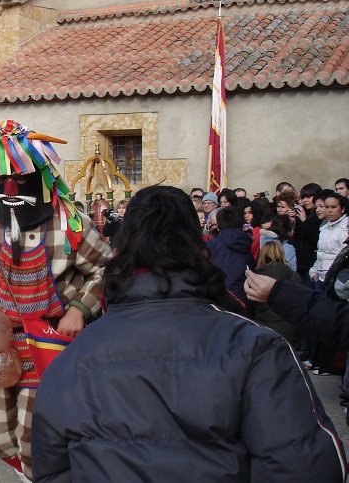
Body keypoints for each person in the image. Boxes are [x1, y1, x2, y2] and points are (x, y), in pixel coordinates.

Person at [32, 185, 346, 482]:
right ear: (199, 246)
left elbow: (51, 469)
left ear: (121, 249)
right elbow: (305, 467)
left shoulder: (73, 357)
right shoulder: (255, 346)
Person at [0, 120, 110, 480]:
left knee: (35, 438)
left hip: (49, 343)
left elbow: (108, 269)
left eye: (20, 178)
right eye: (2, 178)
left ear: (39, 177)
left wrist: (78, 309)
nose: (10, 187)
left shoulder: (70, 223)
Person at [206, 206, 254, 307]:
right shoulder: (247, 241)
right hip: (246, 299)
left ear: (218, 225)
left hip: (220, 301)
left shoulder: (211, 246)